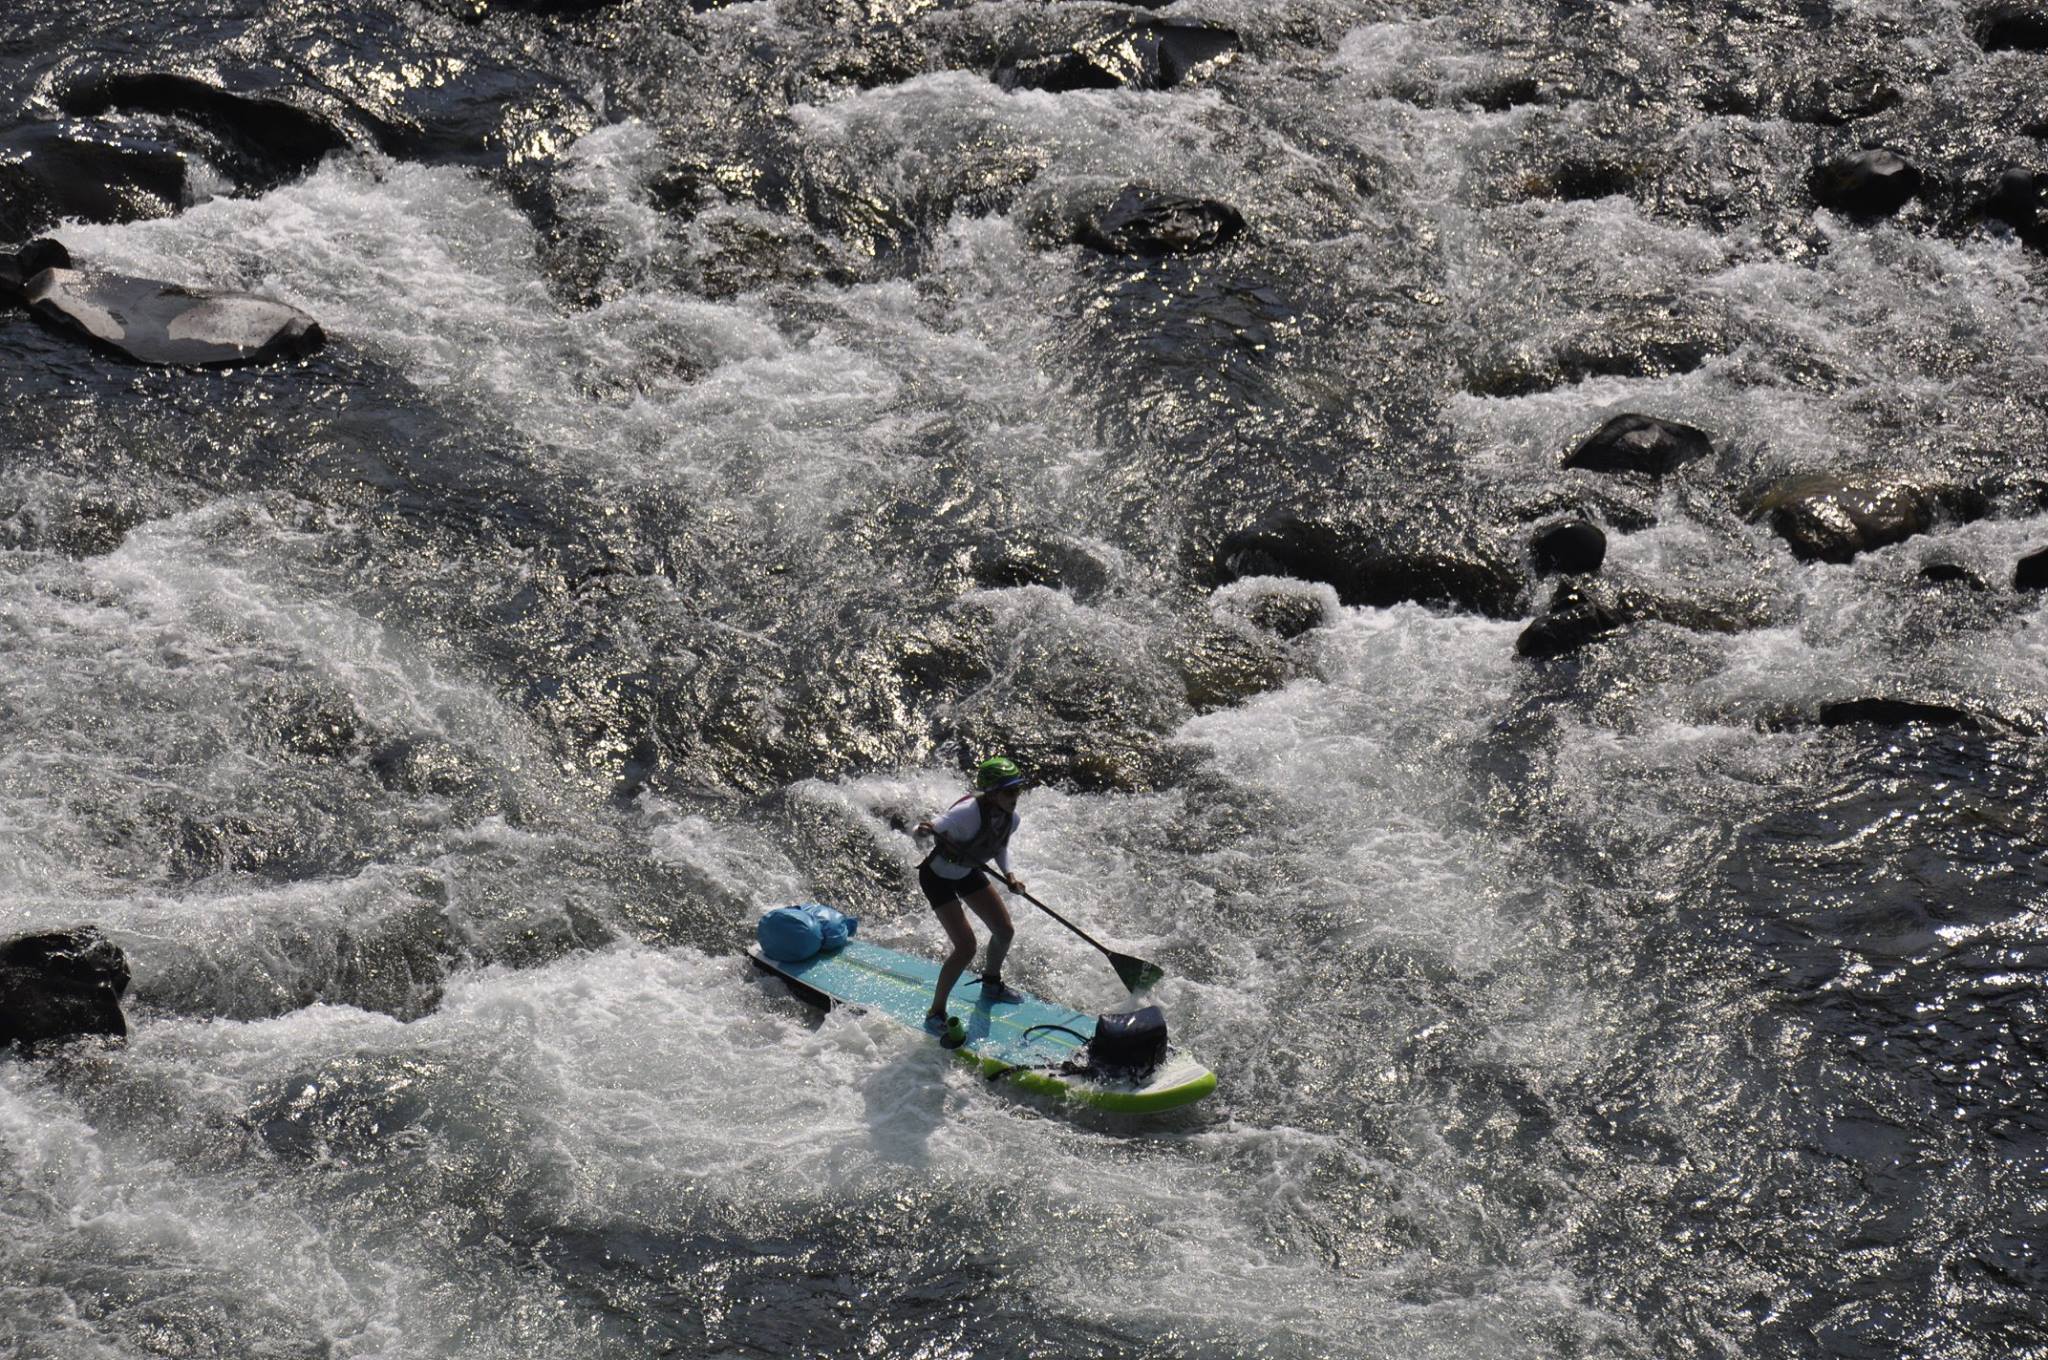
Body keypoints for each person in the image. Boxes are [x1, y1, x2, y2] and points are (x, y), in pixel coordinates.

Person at [915, 756, 1029, 1043]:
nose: (1015, 797)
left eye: (1018, 790)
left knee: (1004, 931)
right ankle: (935, 1012)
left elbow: (1000, 847)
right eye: (1009, 791)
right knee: (966, 947)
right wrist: (922, 830)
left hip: (967, 872)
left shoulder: (1011, 819)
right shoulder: (967, 812)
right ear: (991, 793)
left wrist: (1010, 876)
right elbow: (930, 826)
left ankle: (991, 984)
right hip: (937, 877)